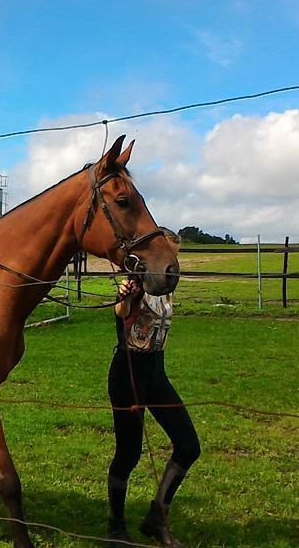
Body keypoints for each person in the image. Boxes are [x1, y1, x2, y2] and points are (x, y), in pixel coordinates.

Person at [106, 228, 199, 548]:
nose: (172, 261)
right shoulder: (136, 281)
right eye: (169, 254)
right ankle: (116, 527)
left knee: (188, 445)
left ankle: (156, 517)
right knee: (128, 454)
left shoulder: (167, 286)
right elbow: (120, 312)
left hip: (156, 373)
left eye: (176, 255)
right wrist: (125, 297)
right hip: (128, 373)